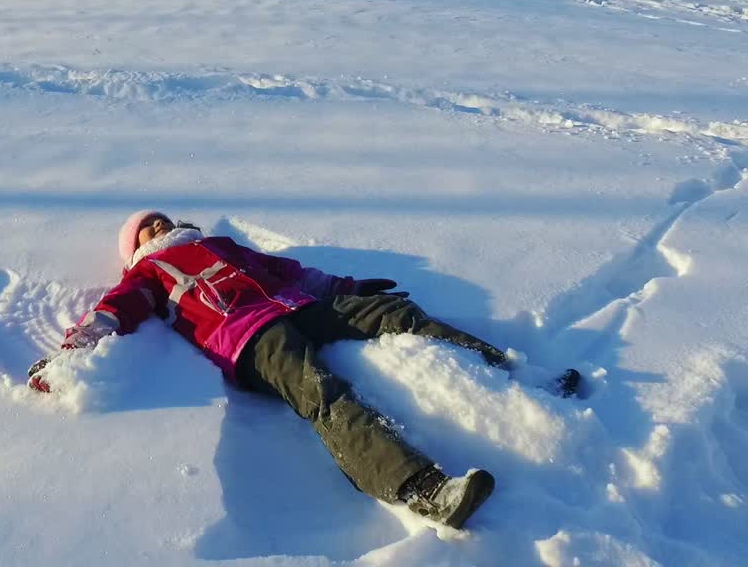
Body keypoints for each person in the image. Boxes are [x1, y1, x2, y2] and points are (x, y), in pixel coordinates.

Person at [29, 210, 580, 529]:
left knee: (397, 314)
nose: (158, 226)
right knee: (324, 394)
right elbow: (112, 313)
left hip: (298, 308)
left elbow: (291, 270)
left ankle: (521, 378)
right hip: (246, 336)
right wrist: (73, 350)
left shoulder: (219, 244)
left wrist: (351, 288)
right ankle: (419, 488)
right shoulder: (147, 273)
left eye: (160, 218)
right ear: (135, 248)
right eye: (146, 227)